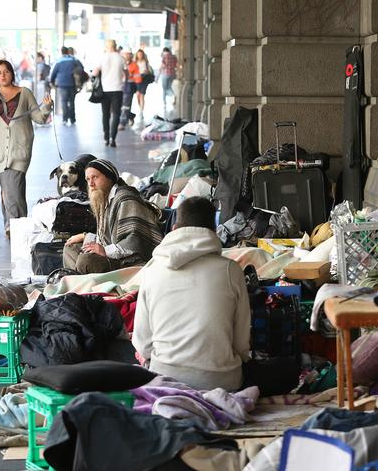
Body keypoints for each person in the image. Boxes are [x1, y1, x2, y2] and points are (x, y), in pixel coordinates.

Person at [132, 197, 251, 391]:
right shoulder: (231, 270)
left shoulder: (151, 270)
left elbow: (142, 343)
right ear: (214, 231)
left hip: (166, 381)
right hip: (222, 383)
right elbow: (241, 344)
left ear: (174, 229)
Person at [0, 59, 53, 238]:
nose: (3, 75)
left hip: (19, 149)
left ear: (12, 73)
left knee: (14, 188)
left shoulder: (24, 93)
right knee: (7, 190)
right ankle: (11, 226)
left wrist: (47, 106)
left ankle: (18, 226)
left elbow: (39, 118)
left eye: (6, 71)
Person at [63, 159, 163, 274]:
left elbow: (135, 241)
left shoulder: (125, 198)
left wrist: (105, 251)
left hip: (131, 263)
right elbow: (108, 237)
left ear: (109, 178)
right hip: (114, 257)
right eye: (88, 179)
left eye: (95, 177)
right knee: (71, 247)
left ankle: (81, 280)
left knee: (86, 261)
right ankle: (79, 280)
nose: (90, 184)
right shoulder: (104, 199)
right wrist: (85, 237)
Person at [93, 39, 125, 147]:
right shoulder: (121, 58)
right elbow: (126, 73)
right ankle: (113, 138)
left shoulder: (103, 57)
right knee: (116, 114)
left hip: (105, 90)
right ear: (115, 46)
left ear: (106, 46)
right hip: (118, 89)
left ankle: (106, 137)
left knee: (105, 114)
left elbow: (95, 72)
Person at [50, 46, 77, 126]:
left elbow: (54, 73)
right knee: (72, 102)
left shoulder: (59, 61)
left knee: (64, 101)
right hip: (72, 83)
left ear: (61, 52)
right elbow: (80, 68)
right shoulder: (73, 60)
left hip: (62, 84)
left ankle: (65, 119)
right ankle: (72, 119)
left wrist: (52, 81)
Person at [119, 47, 138, 130]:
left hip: (129, 86)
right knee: (120, 105)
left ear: (131, 55)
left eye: (128, 54)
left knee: (126, 105)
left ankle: (122, 123)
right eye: (125, 54)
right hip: (119, 86)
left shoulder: (134, 65)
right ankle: (130, 116)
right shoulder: (119, 63)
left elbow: (137, 77)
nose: (126, 55)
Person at [133, 49, 153, 124]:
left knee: (142, 95)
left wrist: (145, 72)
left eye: (141, 54)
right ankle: (140, 107)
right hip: (137, 80)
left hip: (144, 80)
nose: (140, 55)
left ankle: (141, 111)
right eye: (139, 54)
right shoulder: (134, 62)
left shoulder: (146, 62)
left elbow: (148, 70)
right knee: (138, 95)